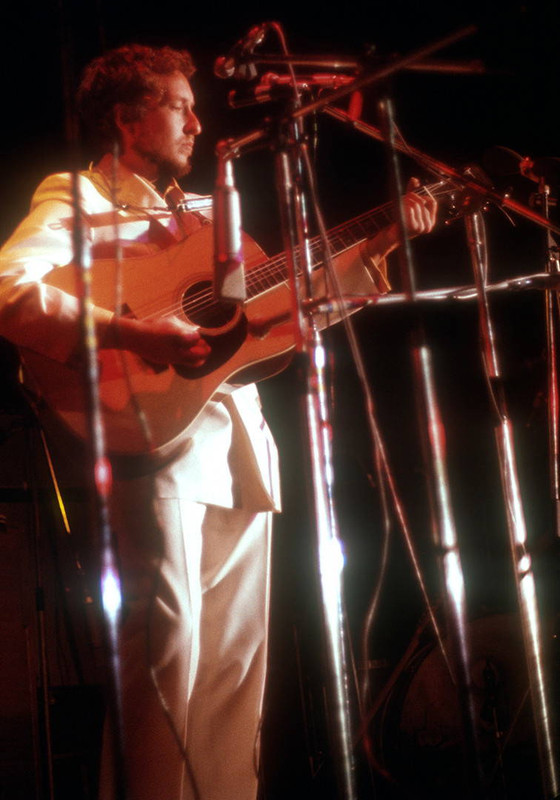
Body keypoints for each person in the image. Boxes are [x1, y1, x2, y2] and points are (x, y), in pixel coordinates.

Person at [0, 43, 437, 800]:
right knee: (164, 659)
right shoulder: (78, 197)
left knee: (234, 670)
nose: (198, 124)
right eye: (178, 106)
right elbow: (8, 289)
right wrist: (132, 332)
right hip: (151, 441)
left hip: (236, 453)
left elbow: (282, 321)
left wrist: (383, 242)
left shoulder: (210, 214)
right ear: (126, 118)